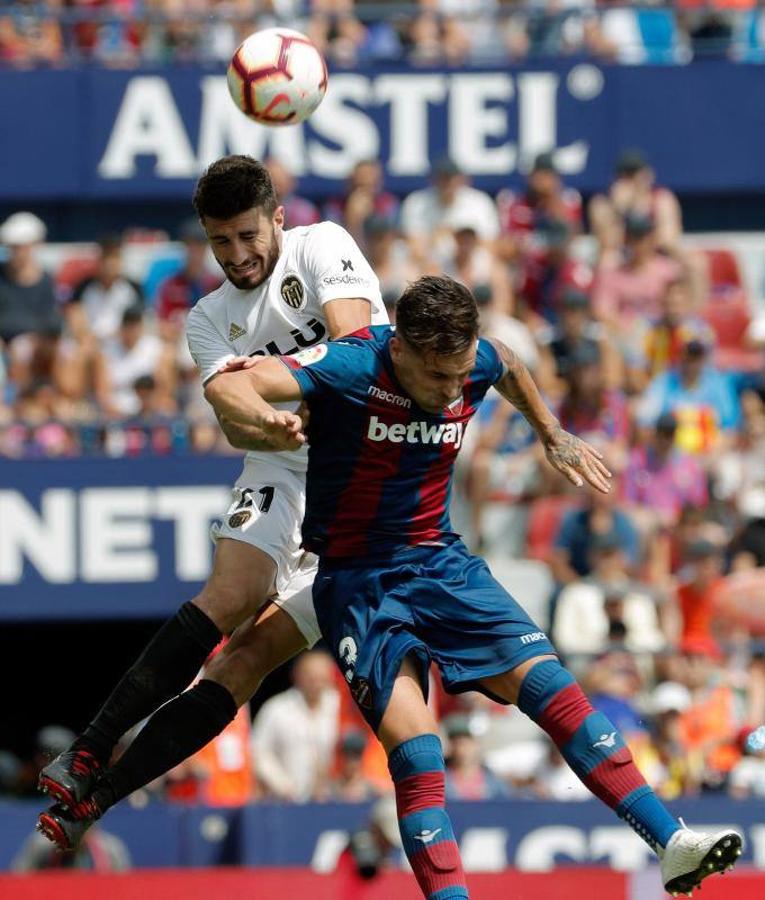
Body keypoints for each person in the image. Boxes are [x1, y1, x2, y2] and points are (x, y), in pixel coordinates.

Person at [172, 275, 740, 896]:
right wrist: (264, 415)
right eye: (439, 377)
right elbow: (234, 382)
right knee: (418, 754)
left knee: (556, 690)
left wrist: (552, 433)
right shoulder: (350, 362)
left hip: (442, 563)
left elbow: (510, 364)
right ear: (402, 350)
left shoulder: (476, 361)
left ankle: (671, 842)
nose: (453, 394)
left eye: (461, 375)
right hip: (359, 584)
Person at [36, 154, 387, 846]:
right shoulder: (206, 320)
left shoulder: (325, 247)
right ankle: (87, 752)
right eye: (220, 241)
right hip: (282, 463)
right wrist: (268, 419)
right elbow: (232, 417)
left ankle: (101, 798)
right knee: (227, 597)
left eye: (249, 236)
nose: (238, 255)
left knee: (244, 661)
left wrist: (284, 388)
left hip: (368, 493)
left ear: (278, 220)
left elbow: (357, 352)